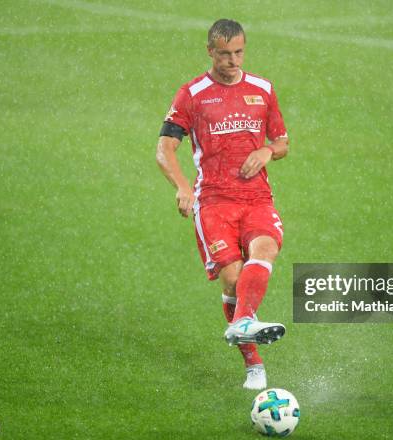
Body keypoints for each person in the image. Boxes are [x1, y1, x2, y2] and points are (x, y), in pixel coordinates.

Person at [155, 19, 289, 390]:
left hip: (257, 196)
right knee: (232, 279)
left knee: (266, 250)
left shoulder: (262, 89)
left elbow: (282, 142)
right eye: (225, 53)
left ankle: (243, 321)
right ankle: (253, 364)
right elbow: (165, 148)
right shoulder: (192, 94)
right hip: (213, 201)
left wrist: (266, 150)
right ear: (210, 51)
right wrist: (182, 187)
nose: (233, 61)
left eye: (239, 52)